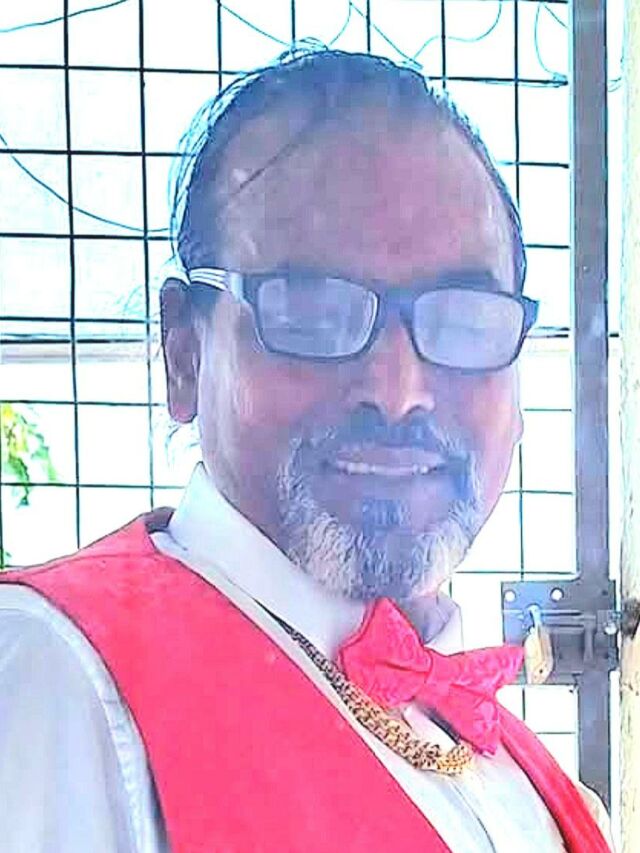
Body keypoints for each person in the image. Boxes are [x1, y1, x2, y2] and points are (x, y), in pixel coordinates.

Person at [0, 49, 612, 852]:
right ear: (183, 353)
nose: (398, 390)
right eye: (312, 311)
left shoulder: (530, 781)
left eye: (462, 318)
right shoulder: (55, 676)